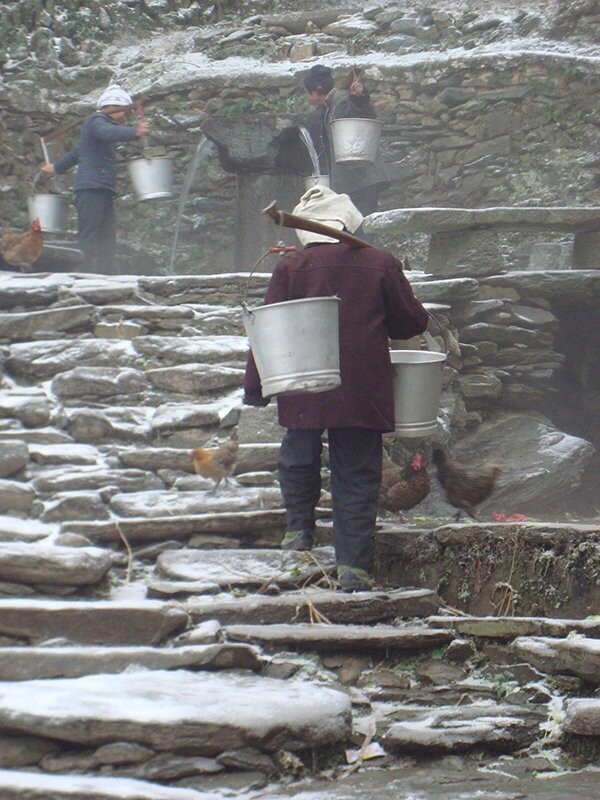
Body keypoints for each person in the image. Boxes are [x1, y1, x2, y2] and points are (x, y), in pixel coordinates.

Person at [243, 185, 429, 592]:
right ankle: (353, 566)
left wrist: (255, 388)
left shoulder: (291, 268)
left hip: (303, 378)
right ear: (346, 222)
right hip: (361, 386)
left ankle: (299, 528)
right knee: (358, 473)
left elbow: (266, 332)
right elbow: (411, 323)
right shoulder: (381, 263)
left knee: (299, 450)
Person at [40, 83, 150, 273]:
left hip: (103, 188)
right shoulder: (96, 121)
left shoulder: (99, 126)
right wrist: (134, 132)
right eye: (123, 111)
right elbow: (106, 132)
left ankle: (103, 276)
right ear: (113, 107)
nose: (125, 116)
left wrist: (56, 167)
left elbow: (78, 153)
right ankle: (82, 274)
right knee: (89, 234)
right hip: (91, 187)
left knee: (108, 237)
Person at [302, 64, 390, 217]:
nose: (307, 98)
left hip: (361, 179)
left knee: (359, 230)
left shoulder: (342, 98)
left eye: (307, 93)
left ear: (316, 92)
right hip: (354, 183)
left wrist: (359, 96)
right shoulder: (328, 107)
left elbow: (361, 108)